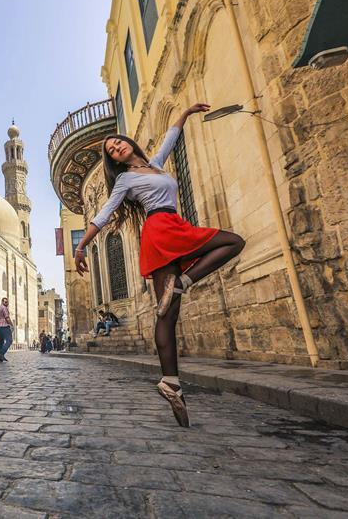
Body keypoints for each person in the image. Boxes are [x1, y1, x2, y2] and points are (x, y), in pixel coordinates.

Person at [74, 103, 245, 427]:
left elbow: (171, 137)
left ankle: (183, 282)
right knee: (167, 313)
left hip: (176, 225)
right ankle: (172, 382)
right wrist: (82, 245)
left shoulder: (154, 165)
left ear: (128, 142)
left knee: (232, 242)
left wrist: (186, 113)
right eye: (112, 151)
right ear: (115, 160)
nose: (117, 148)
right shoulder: (124, 180)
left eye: (118, 142)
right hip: (158, 231)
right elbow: (105, 213)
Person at [0, 297, 13, 363]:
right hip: (4, 326)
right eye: (5, 302)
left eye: (7, 302)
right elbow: (7, 318)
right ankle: (1, 353)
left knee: (0, 342)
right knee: (9, 340)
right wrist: (11, 325)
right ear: (2, 302)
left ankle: (0, 359)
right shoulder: (4, 308)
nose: (7, 303)